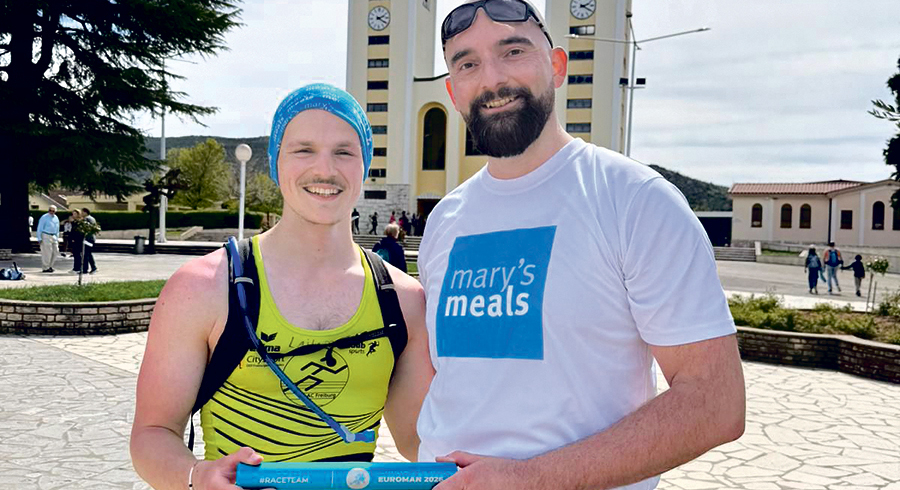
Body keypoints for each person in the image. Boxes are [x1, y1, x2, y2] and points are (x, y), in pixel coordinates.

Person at [415, 2, 746, 489]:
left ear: (556, 66)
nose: (492, 79)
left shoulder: (634, 200)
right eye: (467, 64)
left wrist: (530, 479)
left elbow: (715, 402)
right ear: (453, 91)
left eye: (513, 52)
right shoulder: (445, 220)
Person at [130, 84, 432, 490]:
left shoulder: (404, 301)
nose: (325, 169)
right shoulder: (203, 287)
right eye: (304, 150)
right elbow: (153, 433)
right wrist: (196, 476)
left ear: (365, 167)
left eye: (344, 152)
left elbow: (419, 443)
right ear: (275, 163)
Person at [36, 205, 60, 273]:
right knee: (47, 252)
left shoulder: (56, 218)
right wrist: (39, 238)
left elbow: (57, 228)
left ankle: (50, 266)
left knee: (55, 251)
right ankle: (45, 267)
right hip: (46, 235)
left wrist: (57, 237)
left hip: (54, 236)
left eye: (53, 211)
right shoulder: (44, 217)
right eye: (50, 210)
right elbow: (40, 227)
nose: (51, 212)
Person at [80, 207, 98, 274]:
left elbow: (87, 228)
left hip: (88, 239)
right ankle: (92, 268)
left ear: (85, 212)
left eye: (82, 212)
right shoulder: (92, 218)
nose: (81, 214)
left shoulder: (87, 219)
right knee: (88, 254)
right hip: (91, 238)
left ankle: (87, 269)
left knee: (86, 254)